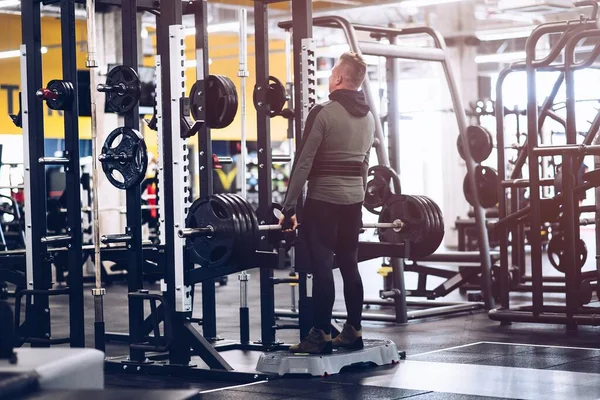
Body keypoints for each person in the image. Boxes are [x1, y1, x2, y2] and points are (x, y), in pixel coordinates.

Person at [278, 52, 375, 354]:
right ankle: (353, 330)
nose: (330, 77)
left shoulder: (323, 112)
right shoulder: (369, 117)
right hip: (353, 202)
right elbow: (364, 164)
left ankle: (319, 336)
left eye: (333, 72)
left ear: (339, 78)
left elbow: (303, 162)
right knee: (349, 265)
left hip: (324, 201)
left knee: (322, 268)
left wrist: (288, 207)